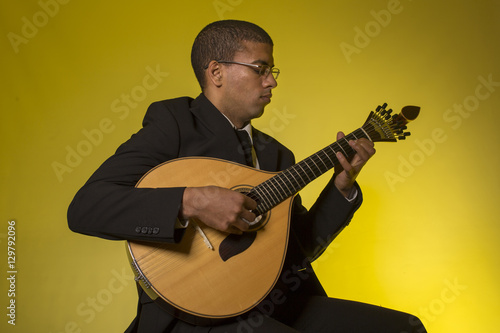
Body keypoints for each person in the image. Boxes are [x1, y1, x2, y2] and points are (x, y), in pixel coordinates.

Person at [68, 20, 426, 333]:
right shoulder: (174, 123)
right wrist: (191, 201)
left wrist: (341, 187)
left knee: (405, 328)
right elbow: (86, 207)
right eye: (260, 68)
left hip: (277, 301)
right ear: (217, 72)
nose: (271, 82)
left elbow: (299, 250)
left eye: (273, 71)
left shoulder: (277, 154)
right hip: (196, 314)